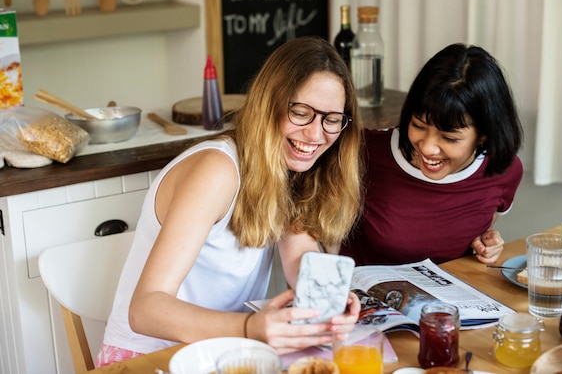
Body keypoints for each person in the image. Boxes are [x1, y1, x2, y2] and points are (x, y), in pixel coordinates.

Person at [96, 36, 363, 367]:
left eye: (332, 119)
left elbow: (298, 257)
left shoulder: (293, 166)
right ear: (270, 102)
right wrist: (251, 327)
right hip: (149, 357)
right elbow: (145, 309)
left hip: (224, 350)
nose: (316, 133)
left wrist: (329, 296)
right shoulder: (218, 169)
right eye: (301, 112)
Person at [340, 43, 523, 266]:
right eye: (418, 125)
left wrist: (487, 245)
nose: (427, 147)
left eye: (449, 138)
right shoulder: (366, 153)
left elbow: (474, 237)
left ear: (484, 134)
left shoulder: (503, 171)